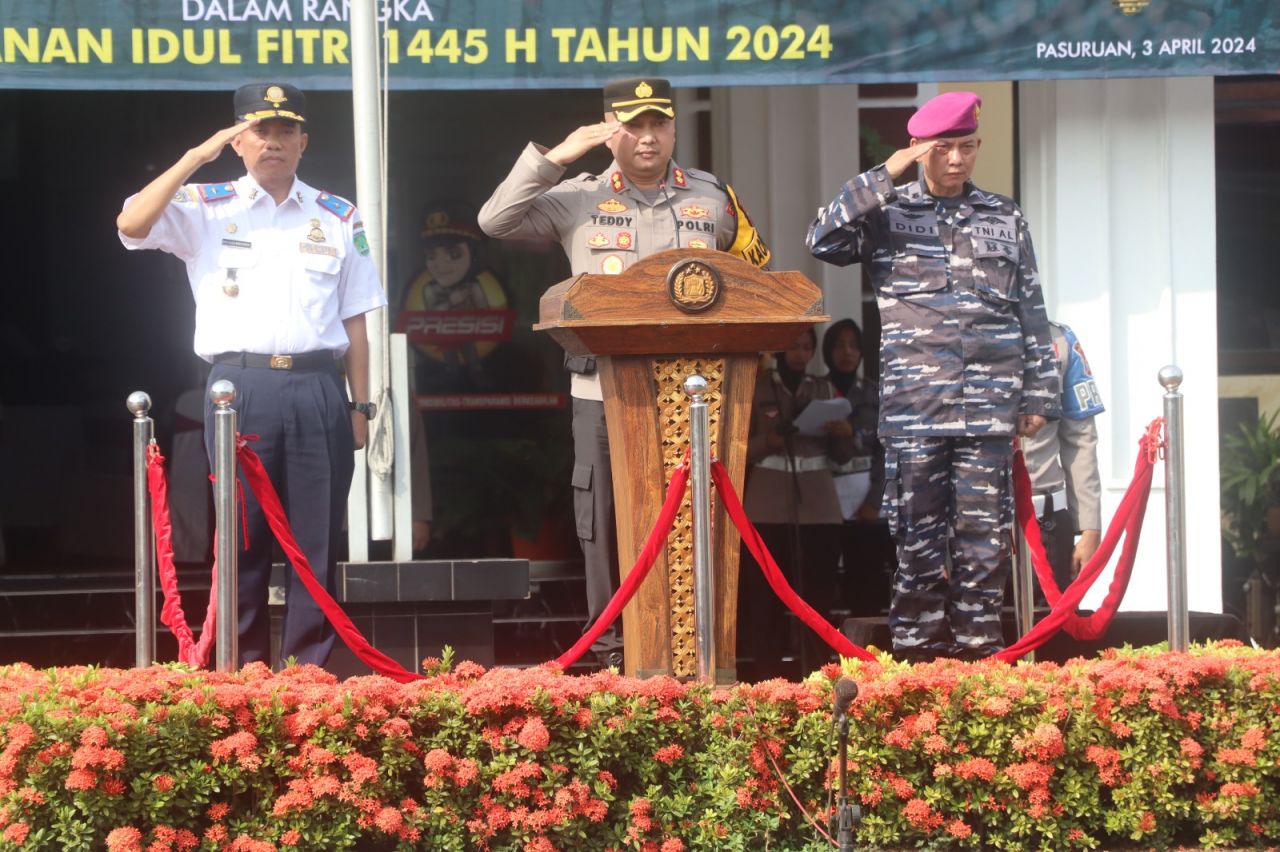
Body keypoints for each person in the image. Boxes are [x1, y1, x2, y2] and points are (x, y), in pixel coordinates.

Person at [478, 77, 771, 669]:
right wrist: (559, 156)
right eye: (633, 125)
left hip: (693, 393)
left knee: (693, 517)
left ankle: (698, 649)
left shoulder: (712, 197)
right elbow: (495, 220)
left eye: (658, 123)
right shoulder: (578, 197)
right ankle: (611, 651)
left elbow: (758, 278)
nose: (647, 137)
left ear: (674, 128)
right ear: (610, 130)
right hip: (602, 390)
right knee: (604, 521)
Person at [116, 83, 388, 668]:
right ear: (238, 141)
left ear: (304, 141)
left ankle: (307, 673)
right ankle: (243, 671)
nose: (274, 142)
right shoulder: (206, 205)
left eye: (287, 131)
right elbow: (132, 224)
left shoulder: (337, 215)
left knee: (316, 540)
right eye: (260, 131)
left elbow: (357, 319)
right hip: (238, 390)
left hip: (318, 386)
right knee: (242, 539)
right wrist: (196, 156)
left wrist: (361, 405)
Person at [806, 91, 1059, 662]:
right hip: (916, 409)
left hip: (989, 409)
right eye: (944, 148)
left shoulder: (1003, 214)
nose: (957, 159)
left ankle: (980, 661)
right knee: (917, 543)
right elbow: (822, 238)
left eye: (967, 147)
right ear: (919, 149)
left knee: (984, 545)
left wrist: (1038, 394)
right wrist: (884, 174)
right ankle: (919, 663)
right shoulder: (886, 211)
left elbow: (1030, 307)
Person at [739, 329, 854, 680]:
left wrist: (844, 434)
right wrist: (769, 441)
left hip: (817, 503)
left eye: (806, 347)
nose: (800, 354)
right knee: (765, 596)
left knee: (818, 593)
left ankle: (818, 673)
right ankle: (768, 676)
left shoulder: (823, 389)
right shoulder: (758, 387)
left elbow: (844, 457)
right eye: (793, 347)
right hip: (768, 501)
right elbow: (738, 447)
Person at [1023, 321, 1104, 594]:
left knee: (1054, 619)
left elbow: (1080, 440)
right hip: (974, 527)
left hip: (1047, 522)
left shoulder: (1060, 339)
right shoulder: (948, 333)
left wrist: (1090, 528)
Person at [821, 319, 895, 618]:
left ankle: (868, 644)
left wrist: (874, 502)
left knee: (866, 582)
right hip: (825, 501)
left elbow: (886, 451)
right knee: (822, 581)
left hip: (866, 501)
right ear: (828, 351)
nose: (847, 352)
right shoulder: (817, 391)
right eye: (839, 345)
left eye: (853, 345)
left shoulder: (875, 393)